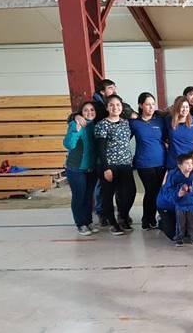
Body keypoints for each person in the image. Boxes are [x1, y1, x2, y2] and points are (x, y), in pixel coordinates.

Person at [94, 95, 136, 235]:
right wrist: (106, 168)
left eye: (118, 105)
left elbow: (125, 141)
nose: (115, 107)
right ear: (107, 107)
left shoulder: (125, 123)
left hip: (125, 164)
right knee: (108, 195)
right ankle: (112, 222)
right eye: (111, 105)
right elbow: (100, 149)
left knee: (129, 193)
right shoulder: (102, 124)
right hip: (109, 165)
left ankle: (123, 216)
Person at [130, 92, 168, 230]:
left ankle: (157, 218)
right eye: (147, 104)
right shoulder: (134, 123)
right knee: (151, 191)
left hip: (161, 161)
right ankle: (147, 219)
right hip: (144, 163)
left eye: (153, 104)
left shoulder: (160, 121)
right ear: (141, 105)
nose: (151, 107)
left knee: (159, 191)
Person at [63, 101, 99, 236]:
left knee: (89, 196)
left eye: (92, 110)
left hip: (91, 168)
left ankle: (88, 221)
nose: (89, 112)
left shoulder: (95, 125)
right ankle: (80, 223)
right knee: (79, 196)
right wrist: (75, 130)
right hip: (76, 168)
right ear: (80, 112)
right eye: (86, 110)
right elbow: (69, 145)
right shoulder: (75, 124)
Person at [172, 153, 193, 246]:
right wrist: (179, 192)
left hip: (192, 203)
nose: (190, 166)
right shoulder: (176, 176)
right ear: (180, 165)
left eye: (191, 163)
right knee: (181, 223)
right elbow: (172, 189)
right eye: (187, 163)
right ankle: (179, 237)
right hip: (180, 205)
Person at [165, 96, 193, 170]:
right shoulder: (168, 120)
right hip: (174, 161)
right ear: (176, 108)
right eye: (182, 107)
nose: (185, 109)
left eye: (187, 107)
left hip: (190, 162)